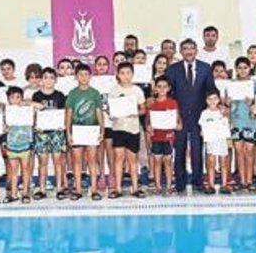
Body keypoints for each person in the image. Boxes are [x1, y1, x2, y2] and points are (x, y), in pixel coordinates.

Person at [164, 39, 216, 193]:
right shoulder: (172, 70)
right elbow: (169, 94)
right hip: (178, 116)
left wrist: (220, 103)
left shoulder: (205, 68)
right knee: (179, 149)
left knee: (197, 150)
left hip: (199, 116)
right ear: (181, 51)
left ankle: (197, 181)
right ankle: (180, 183)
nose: (188, 51)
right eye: (185, 48)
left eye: (191, 48)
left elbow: (211, 89)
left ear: (196, 51)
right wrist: (173, 115)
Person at [65, 63, 105, 200]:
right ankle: (78, 189)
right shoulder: (72, 93)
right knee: (77, 161)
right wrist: (68, 132)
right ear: (76, 77)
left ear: (90, 76)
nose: (83, 77)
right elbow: (69, 114)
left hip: (92, 130)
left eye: (86, 74)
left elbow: (99, 112)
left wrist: (102, 130)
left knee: (92, 160)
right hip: (77, 130)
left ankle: (94, 189)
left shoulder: (95, 93)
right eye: (80, 75)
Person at [106, 62, 146, 198]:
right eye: (122, 73)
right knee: (118, 158)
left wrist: (135, 112)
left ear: (132, 74)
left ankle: (135, 188)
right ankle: (117, 189)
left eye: (128, 73)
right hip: (118, 129)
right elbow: (110, 110)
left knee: (132, 159)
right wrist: (113, 113)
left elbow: (143, 109)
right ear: (118, 75)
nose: (125, 76)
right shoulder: (114, 91)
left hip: (133, 129)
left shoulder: (137, 90)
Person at [31, 68, 67, 199]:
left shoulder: (60, 95)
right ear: (41, 80)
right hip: (42, 133)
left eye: (51, 77)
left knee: (58, 161)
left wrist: (63, 125)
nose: (48, 80)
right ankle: (42, 189)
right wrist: (36, 126)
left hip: (56, 132)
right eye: (45, 77)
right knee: (43, 162)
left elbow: (64, 113)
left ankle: (59, 189)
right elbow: (34, 114)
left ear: (55, 80)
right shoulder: (36, 96)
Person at [146, 77, 179, 195]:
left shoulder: (173, 103)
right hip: (156, 137)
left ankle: (169, 185)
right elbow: (148, 120)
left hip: (168, 137)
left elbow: (177, 119)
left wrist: (178, 125)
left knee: (168, 161)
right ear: (155, 88)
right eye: (159, 87)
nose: (162, 89)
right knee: (157, 161)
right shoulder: (152, 103)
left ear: (169, 88)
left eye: (165, 87)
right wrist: (148, 127)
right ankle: (158, 186)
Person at [228, 57, 256, 191]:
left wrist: (253, 102)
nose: (243, 70)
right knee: (238, 151)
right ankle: (242, 180)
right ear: (236, 69)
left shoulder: (255, 84)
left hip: (250, 121)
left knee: (249, 151)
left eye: (245, 67)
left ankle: (249, 180)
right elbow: (226, 103)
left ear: (250, 68)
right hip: (235, 121)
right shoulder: (231, 84)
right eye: (240, 68)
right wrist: (227, 102)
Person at [4, 86, 35, 203]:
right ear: (8, 99)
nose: (16, 100)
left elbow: (41, 107)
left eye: (18, 97)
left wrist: (27, 103)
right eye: (12, 97)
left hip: (25, 144)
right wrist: (4, 128)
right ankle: (13, 194)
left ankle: (25, 193)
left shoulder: (27, 109)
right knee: (13, 170)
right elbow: (1, 126)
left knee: (25, 169)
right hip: (12, 144)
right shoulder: (6, 111)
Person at [198, 91, 231, 193]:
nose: (212, 101)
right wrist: (203, 132)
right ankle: (211, 185)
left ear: (219, 100)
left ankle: (224, 185)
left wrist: (226, 116)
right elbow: (202, 126)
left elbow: (229, 125)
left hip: (222, 139)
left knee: (223, 162)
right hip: (211, 140)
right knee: (211, 162)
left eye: (215, 99)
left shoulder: (223, 111)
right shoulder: (204, 113)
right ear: (206, 101)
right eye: (210, 99)